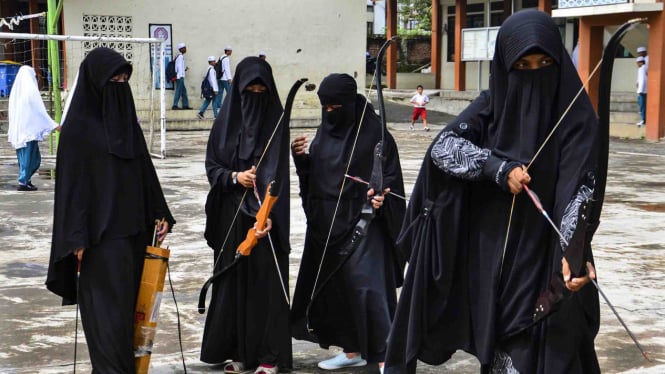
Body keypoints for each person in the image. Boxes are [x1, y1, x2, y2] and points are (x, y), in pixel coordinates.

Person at [384, 10, 600, 374]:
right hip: (499, 262)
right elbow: (442, 148)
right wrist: (497, 169)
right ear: (505, 67)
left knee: (555, 350)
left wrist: (573, 250)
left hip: (551, 256)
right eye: (523, 64)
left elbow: (577, 187)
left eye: (544, 62)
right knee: (505, 349)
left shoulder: (575, 115)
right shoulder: (492, 105)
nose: (534, 73)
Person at [46, 47, 175, 373]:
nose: (120, 86)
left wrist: (160, 215)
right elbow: (72, 192)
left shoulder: (126, 126)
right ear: (95, 83)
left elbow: (145, 173)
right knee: (108, 328)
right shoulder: (77, 132)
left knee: (134, 326)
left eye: (124, 80)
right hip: (99, 247)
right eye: (113, 80)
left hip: (135, 239)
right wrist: (75, 239)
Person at [290, 73, 406, 373]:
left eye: (335, 107)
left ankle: (386, 356)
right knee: (336, 290)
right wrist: (301, 159)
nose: (330, 114)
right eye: (325, 108)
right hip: (327, 224)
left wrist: (381, 199)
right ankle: (352, 350)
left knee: (368, 289)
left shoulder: (374, 134)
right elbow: (317, 176)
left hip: (363, 223)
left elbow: (391, 180)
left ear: (350, 103)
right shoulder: (325, 132)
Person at [201, 56, 292, 374]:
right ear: (238, 90)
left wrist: (269, 213)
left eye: (260, 89)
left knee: (264, 286)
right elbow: (213, 165)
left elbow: (278, 175)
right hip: (230, 216)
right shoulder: (223, 123)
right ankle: (239, 351)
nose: (254, 95)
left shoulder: (277, 123)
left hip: (265, 221)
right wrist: (233, 177)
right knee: (235, 284)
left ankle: (270, 357)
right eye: (248, 90)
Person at [7, 65, 59, 191]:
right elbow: (39, 111)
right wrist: (53, 125)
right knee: (29, 159)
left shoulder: (17, 93)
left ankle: (26, 180)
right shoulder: (30, 93)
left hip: (23, 131)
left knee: (28, 158)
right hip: (28, 132)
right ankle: (23, 181)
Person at [214, 45, 233, 116]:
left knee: (220, 92)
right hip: (225, 78)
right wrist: (229, 78)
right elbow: (227, 69)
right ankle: (231, 105)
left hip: (220, 78)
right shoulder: (226, 58)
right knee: (230, 92)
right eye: (230, 51)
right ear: (227, 51)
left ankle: (218, 105)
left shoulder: (221, 57)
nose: (231, 52)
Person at [172, 42, 192, 110]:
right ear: (181, 49)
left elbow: (178, 67)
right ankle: (175, 105)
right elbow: (178, 67)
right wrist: (181, 75)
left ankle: (185, 105)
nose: (186, 49)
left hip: (180, 76)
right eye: (184, 48)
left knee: (184, 91)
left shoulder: (179, 56)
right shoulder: (180, 56)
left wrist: (184, 70)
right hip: (180, 77)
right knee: (178, 91)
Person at [636, 56, 647, 127]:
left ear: (641, 62)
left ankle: (643, 120)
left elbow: (643, 80)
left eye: (637, 63)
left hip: (642, 91)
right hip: (641, 90)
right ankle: (643, 118)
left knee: (642, 105)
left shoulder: (642, 68)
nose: (637, 64)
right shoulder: (642, 68)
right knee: (640, 103)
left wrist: (641, 90)